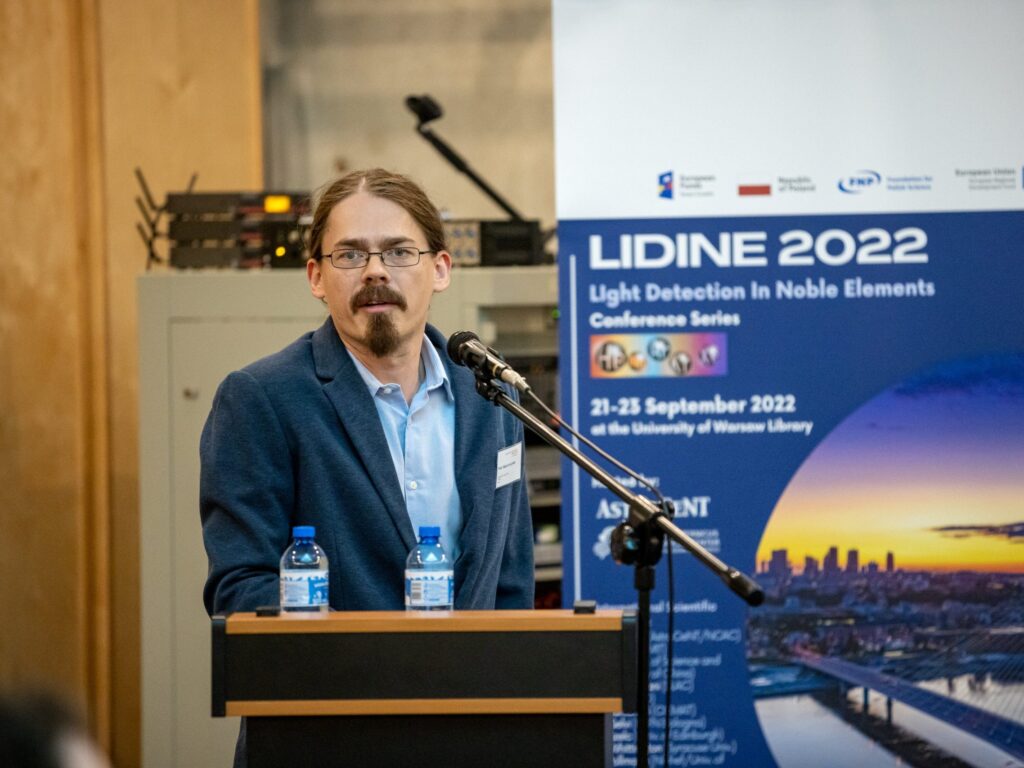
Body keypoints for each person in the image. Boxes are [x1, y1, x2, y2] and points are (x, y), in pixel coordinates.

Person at [200, 168, 535, 617]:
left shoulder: (489, 397)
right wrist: (365, 657)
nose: (376, 271)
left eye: (398, 252)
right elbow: (241, 588)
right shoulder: (262, 400)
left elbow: (511, 579)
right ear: (316, 277)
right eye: (351, 255)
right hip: (340, 685)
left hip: (477, 684)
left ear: (440, 269)